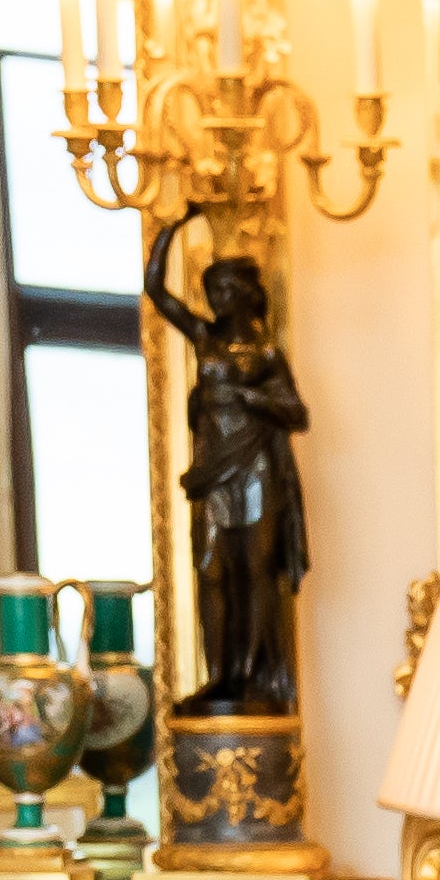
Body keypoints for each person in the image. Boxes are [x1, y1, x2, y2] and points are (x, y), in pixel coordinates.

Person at [147, 212, 309, 713]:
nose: (215, 300)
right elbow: (156, 289)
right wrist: (173, 225)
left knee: (256, 570)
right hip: (213, 473)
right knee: (211, 567)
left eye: (222, 290)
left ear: (242, 292)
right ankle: (221, 678)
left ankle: (254, 680)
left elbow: (296, 413)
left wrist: (243, 397)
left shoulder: (265, 354)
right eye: (210, 290)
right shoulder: (205, 339)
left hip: (255, 468)